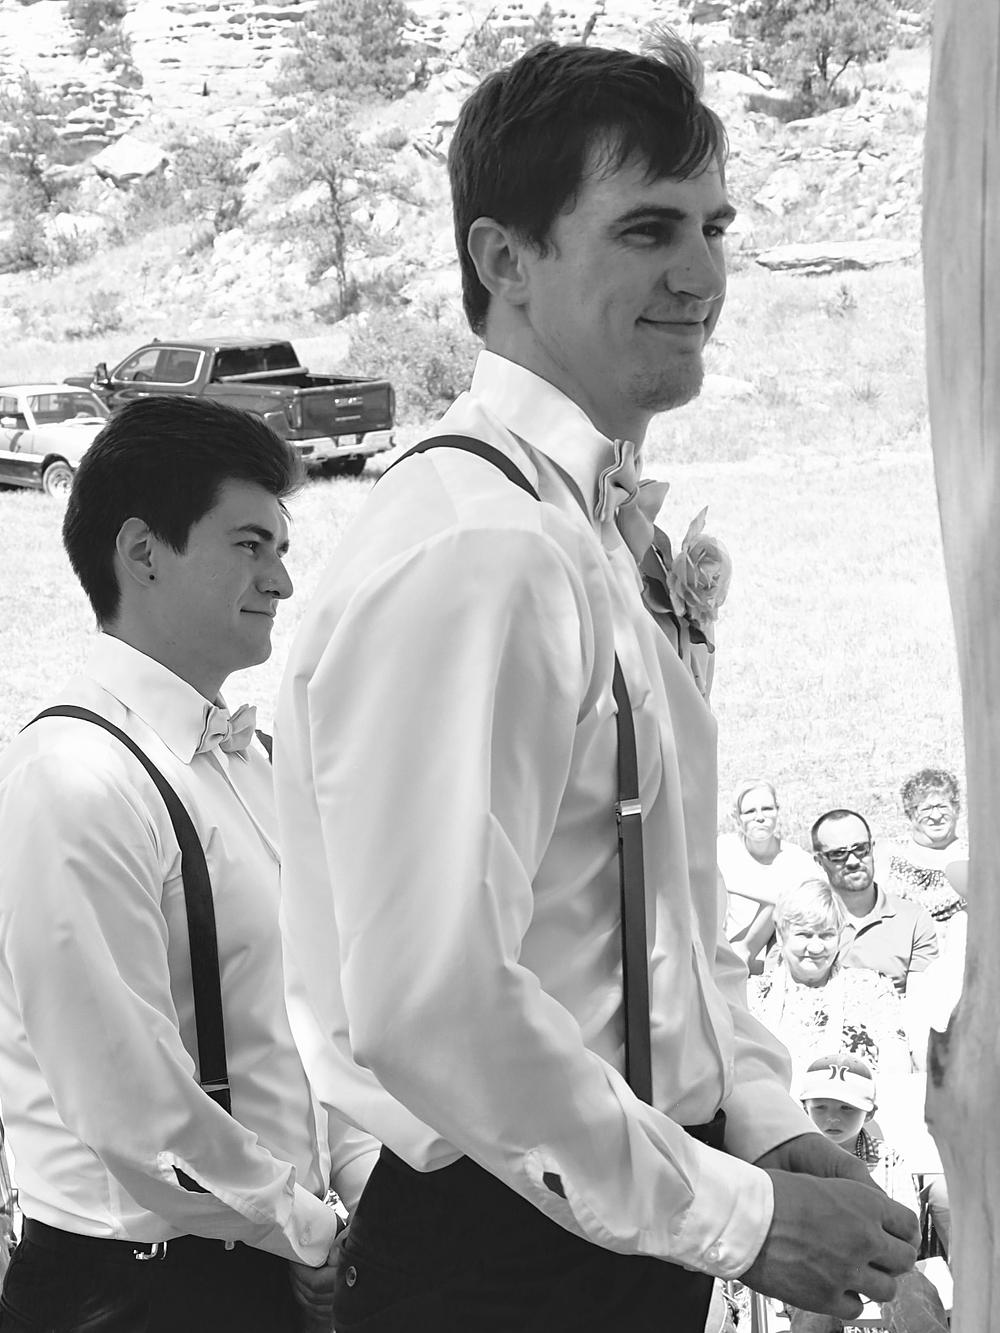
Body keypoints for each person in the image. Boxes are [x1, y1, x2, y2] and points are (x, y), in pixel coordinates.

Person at [274, 35, 919, 1333]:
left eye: (714, 226)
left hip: (615, 1209)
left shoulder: (574, 527)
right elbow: (429, 1001)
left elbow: (664, 910)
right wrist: (740, 1219)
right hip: (506, 1248)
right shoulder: (480, 547)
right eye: (645, 230)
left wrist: (766, 1123)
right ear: (504, 260)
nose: (702, 274)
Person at [0, 397, 378, 1333]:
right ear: (142, 552)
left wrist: (355, 1200)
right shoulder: (74, 778)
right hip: (130, 1291)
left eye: (282, 548)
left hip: (274, 1266)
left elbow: (311, 1024)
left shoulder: (256, 762)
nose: (282, 579)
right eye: (250, 545)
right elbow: (135, 1108)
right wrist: (310, 1232)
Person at [791, 1053, 949, 1333]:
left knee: (912, 1294)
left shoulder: (887, 1158)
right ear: (805, 1108)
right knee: (812, 1309)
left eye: (846, 1108)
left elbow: (907, 1226)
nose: (832, 1118)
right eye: (820, 1107)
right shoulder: (795, 1158)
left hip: (882, 1264)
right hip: (816, 1265)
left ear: (870, 1113)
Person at [748, 880, 911, 1088]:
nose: (816, 947)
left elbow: (896, 1069)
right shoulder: (750, 995)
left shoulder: (873, 989)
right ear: (781, 936)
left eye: (826, 935)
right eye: (804, 935)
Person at [811, 808, 938, 995]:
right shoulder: (803, 919)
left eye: (860, 849)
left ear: (873, 848)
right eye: (838, 854)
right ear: (819, 861)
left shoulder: (913, 920)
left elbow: (922, 998)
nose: (853, 861)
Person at [717, 779, 815, 974]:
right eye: (750, 811)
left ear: (777, 811)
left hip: (778, 957)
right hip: (723, 948)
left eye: (767, 809)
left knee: (784, 897)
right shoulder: (722, 850)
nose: (760, 817)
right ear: (736, 817)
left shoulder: (797, 860)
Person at [876, 767, 968, 948]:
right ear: (909, 813)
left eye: (943, 806)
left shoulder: (973, 854)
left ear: (956, 809)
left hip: (956, 951)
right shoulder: (888, 852)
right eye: (926, 809)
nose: (936, 816)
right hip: (897, 948)